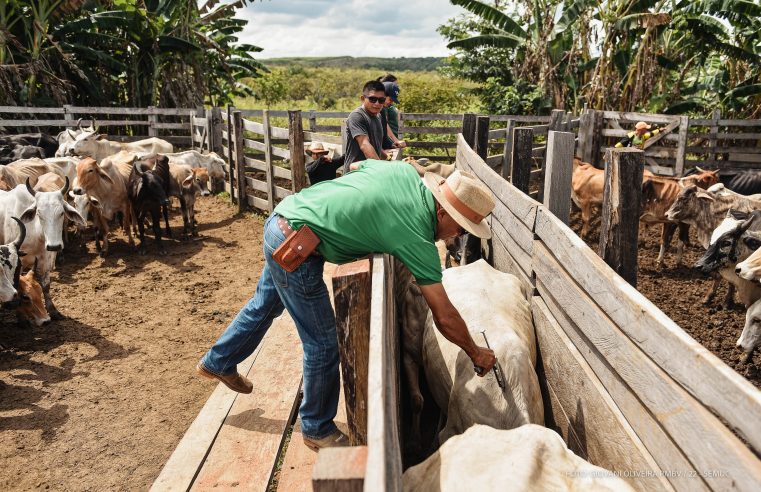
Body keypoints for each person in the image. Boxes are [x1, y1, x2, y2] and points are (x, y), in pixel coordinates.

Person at [196, 160, 498, 451]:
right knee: (323, 344)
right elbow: (444, 315)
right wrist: (476, 352)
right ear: (442, 212)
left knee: (265, 305)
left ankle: (218, 361)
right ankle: (317, 428)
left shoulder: (403, 173)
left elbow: (355, 167)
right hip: (299, 247)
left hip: (285, 219)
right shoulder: (416, 236)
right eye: (460, 228)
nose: (458, 236)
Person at [342, 80, 388, 173]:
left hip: (370, 171)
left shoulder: (378, 116)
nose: (377, 103)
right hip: (355, 174)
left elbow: (375, 144)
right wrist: (381, 171)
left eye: (381, 100)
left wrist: (387, 158)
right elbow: (364, 144)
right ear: (363, 99)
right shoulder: (357, 116)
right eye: (372, 99)